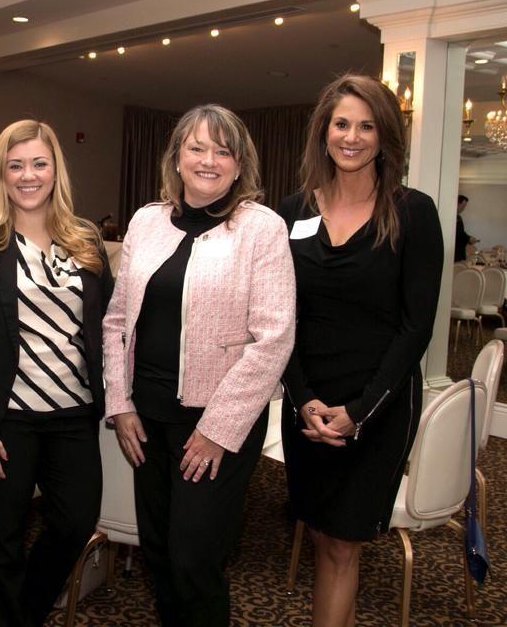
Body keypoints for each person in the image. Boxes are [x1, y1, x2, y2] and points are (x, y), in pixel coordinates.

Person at [103, 104, 295, 626]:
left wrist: (217, 430)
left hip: (216, 426)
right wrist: (120, 405)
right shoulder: (146, 221)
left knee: (196, 560)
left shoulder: (262, 229)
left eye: (222, 150)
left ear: (239, 164)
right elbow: (117, 320)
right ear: (177, 157)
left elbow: (273, 339)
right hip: (147, 419)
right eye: (196, 147)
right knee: (160, 553)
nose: (208, 160)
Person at [278, 74, 444, 627]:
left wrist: (359, 412)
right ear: (324, 131)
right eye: (342, 123)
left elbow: (415, 327)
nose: (352, 137)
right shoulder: (291, 212)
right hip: (307, 404)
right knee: (323, 536)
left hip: (378, 404)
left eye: (367, 125)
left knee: (344, 544)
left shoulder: (413, 212)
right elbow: (281, 320)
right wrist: (303, 399)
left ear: (385, 134)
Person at [0, 120, 113, 627]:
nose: (28, 175)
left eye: (39, 163)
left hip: (73, 414)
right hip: (6, 418)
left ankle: (24, 615)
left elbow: (107, 327)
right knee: (3, 537)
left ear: (55, 169)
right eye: (15, 165)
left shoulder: (85, 241)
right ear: (1, 173)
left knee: (75, 522)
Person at [454, 193, 478, 262]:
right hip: (455, 253)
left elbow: (461, 233)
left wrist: (469, 239)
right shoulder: (451, 218)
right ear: (457, 204)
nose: (464, 209)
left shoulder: (459, 217)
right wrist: (468, 239)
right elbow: (457, 235)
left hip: (460, 252)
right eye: (463, 206)